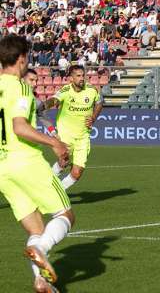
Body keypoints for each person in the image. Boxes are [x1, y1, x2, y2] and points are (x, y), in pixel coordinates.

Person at [0, 34, 75, 292]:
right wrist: (54, 143)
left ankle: (40, 281)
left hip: (2, 168)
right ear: (21, 59)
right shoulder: (19, 86)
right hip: (25, 161)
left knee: (36, 226)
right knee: (65, 214)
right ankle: (40, 249)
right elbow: (19, 127)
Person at [43, 65, 104, 190]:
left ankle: (57, 191)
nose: (82, 78)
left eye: (83, 75)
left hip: (83, 137)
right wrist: (45, 105)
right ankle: (46, 186)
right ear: (71, 78)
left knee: (77, 173)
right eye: (78, 76)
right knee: (64, 162)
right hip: (66, 135)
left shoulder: (92, 90)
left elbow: (99, 103)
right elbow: (54, 100)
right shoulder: (65, 91)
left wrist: (93, 117)